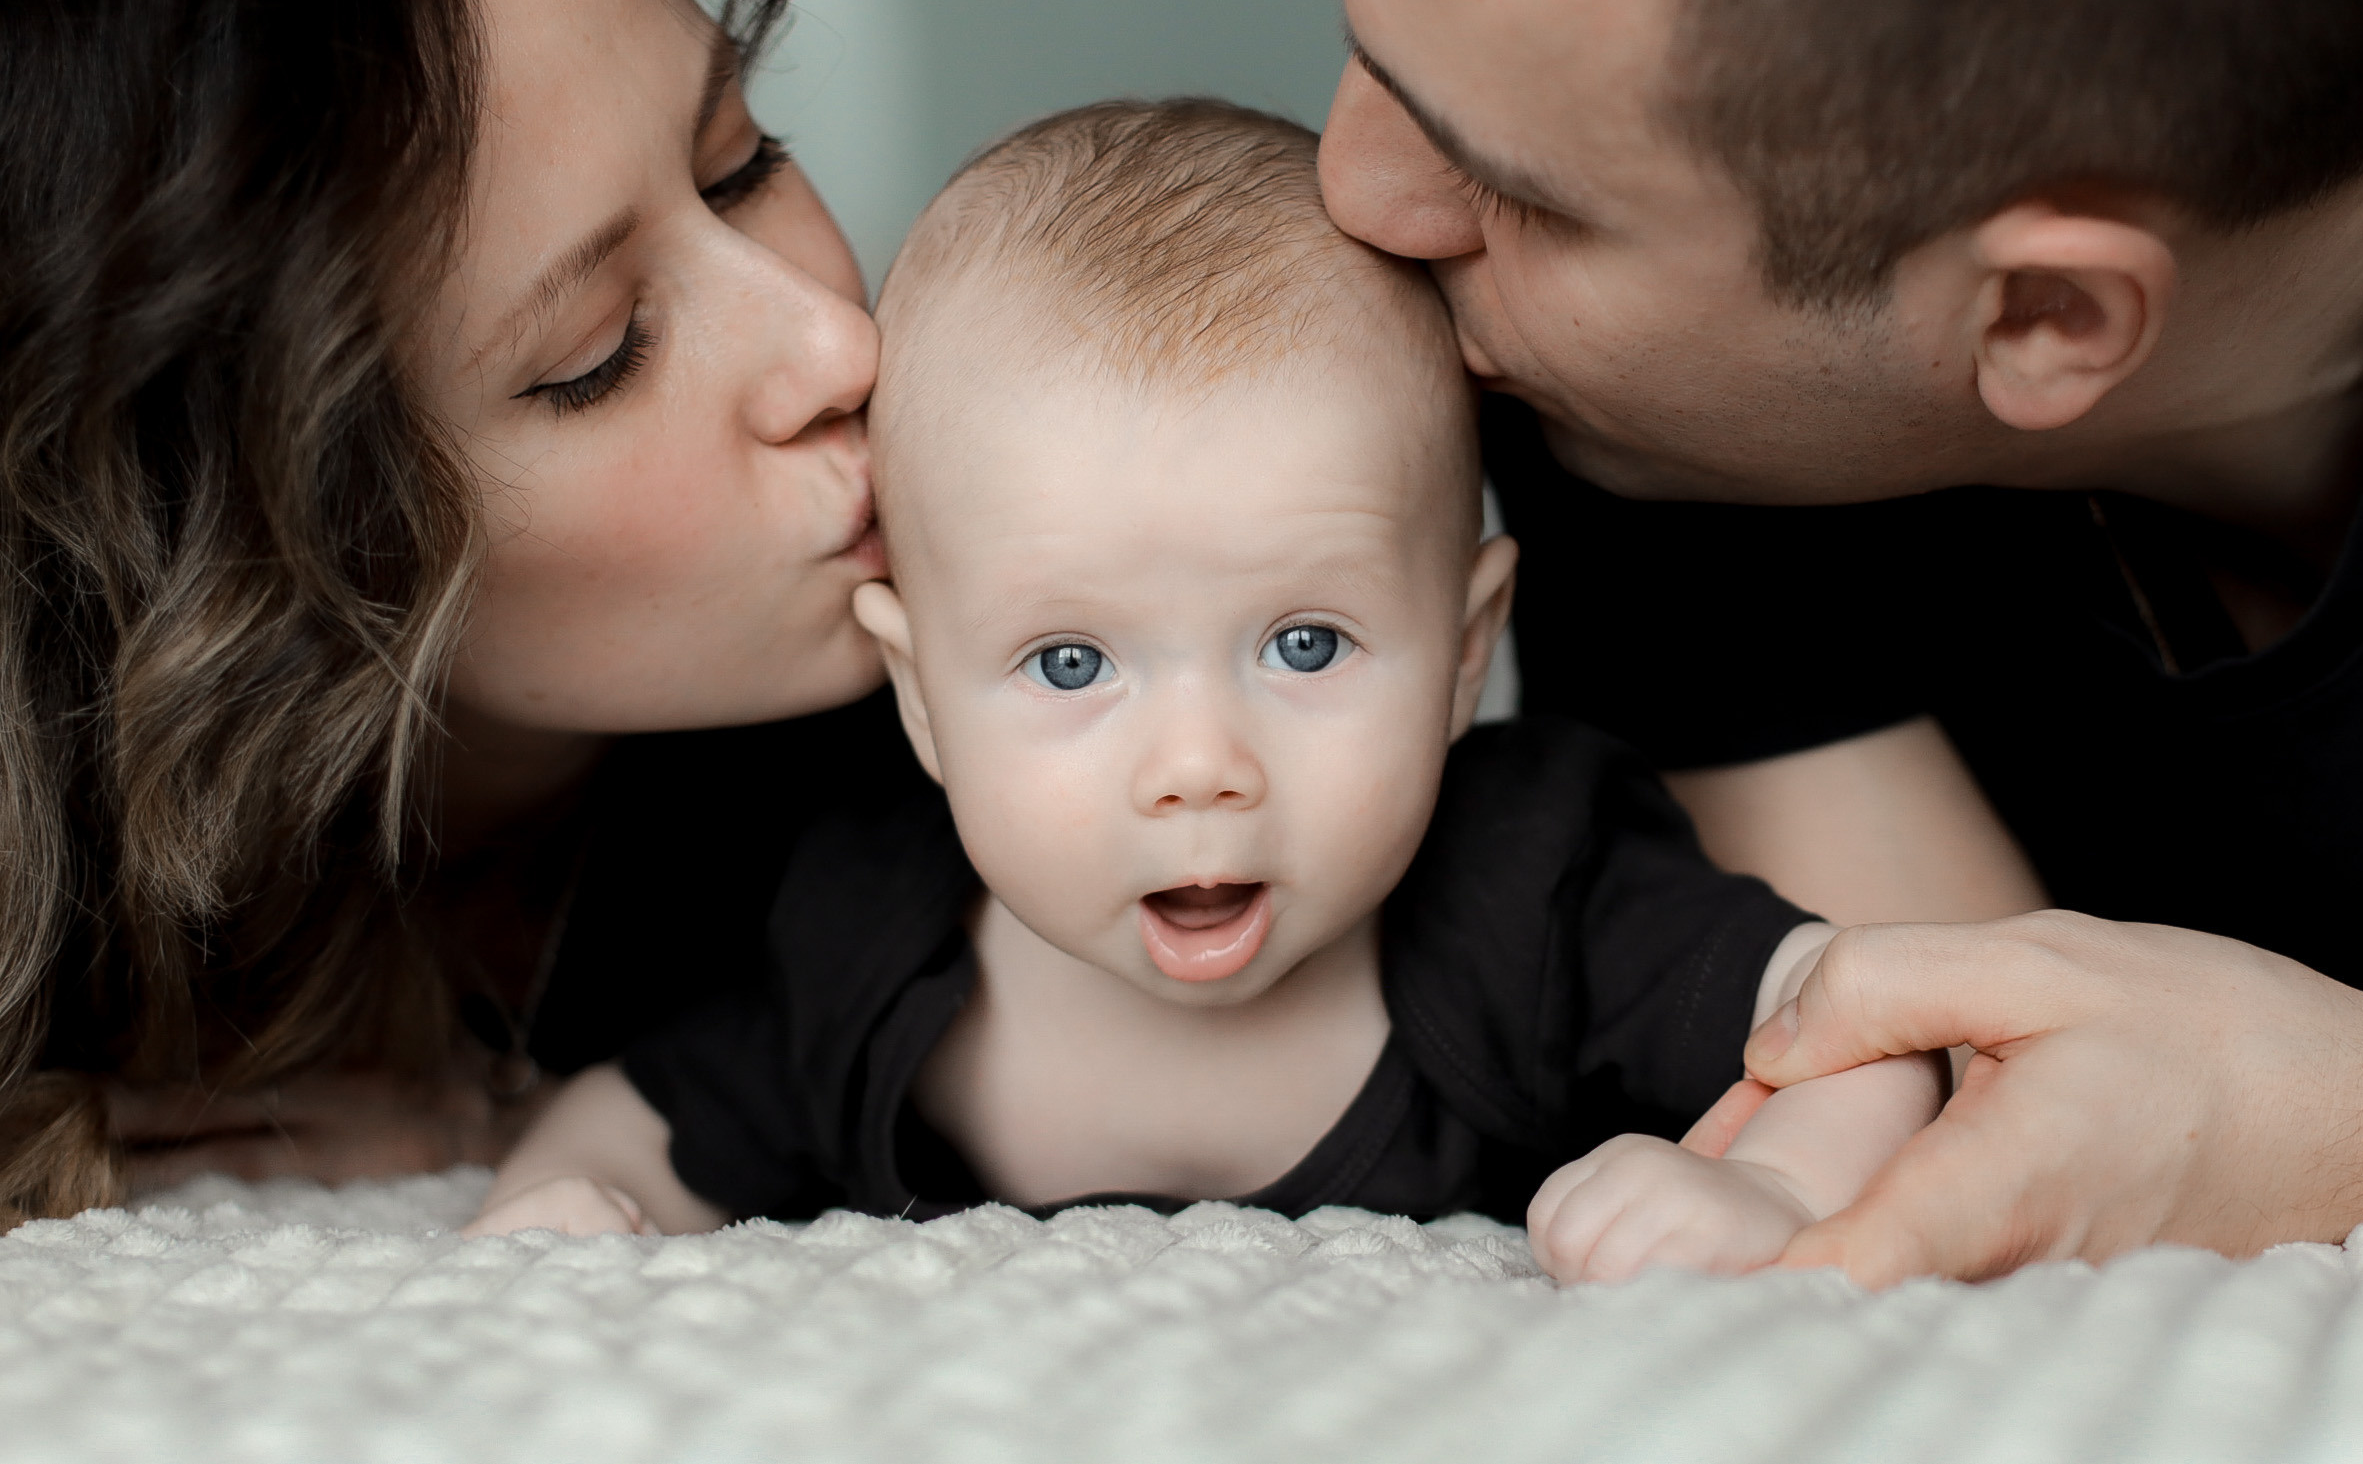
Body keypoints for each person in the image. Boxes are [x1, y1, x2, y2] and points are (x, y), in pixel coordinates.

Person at [461, 99, 1949, 1282]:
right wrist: (565, 1209)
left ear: (1465, 645)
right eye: (1070, 663)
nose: (1198, 765)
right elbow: (651, 1116)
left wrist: (1769, 1185)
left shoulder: (1529, 887)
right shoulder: (870, 930)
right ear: (919, 697)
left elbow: (1857, 1020)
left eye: (1304, 645)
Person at [1316, 0, 2363, 1282]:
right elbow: (1944, 1083)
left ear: (2040, 313)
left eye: (1511, 186)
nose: (1355, 189)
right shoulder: (1658, 418)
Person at [0, 0, 923, 1238]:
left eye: (743, 165)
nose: (837, 345)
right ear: (236, 559)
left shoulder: (998, 714)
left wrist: (529, 1125)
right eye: (601, 356)